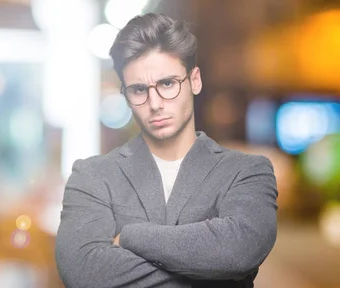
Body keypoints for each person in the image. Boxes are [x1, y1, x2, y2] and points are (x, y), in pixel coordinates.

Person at [55, 13, 277, 287]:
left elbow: (239, 250)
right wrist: (210, 275)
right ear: (125, 93)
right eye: (138, 90)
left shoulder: (246, 171)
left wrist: (130, 237)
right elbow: (83, 271)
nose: (155, 103)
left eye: (167, 84)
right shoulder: (91, 176)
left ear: (194, 80)